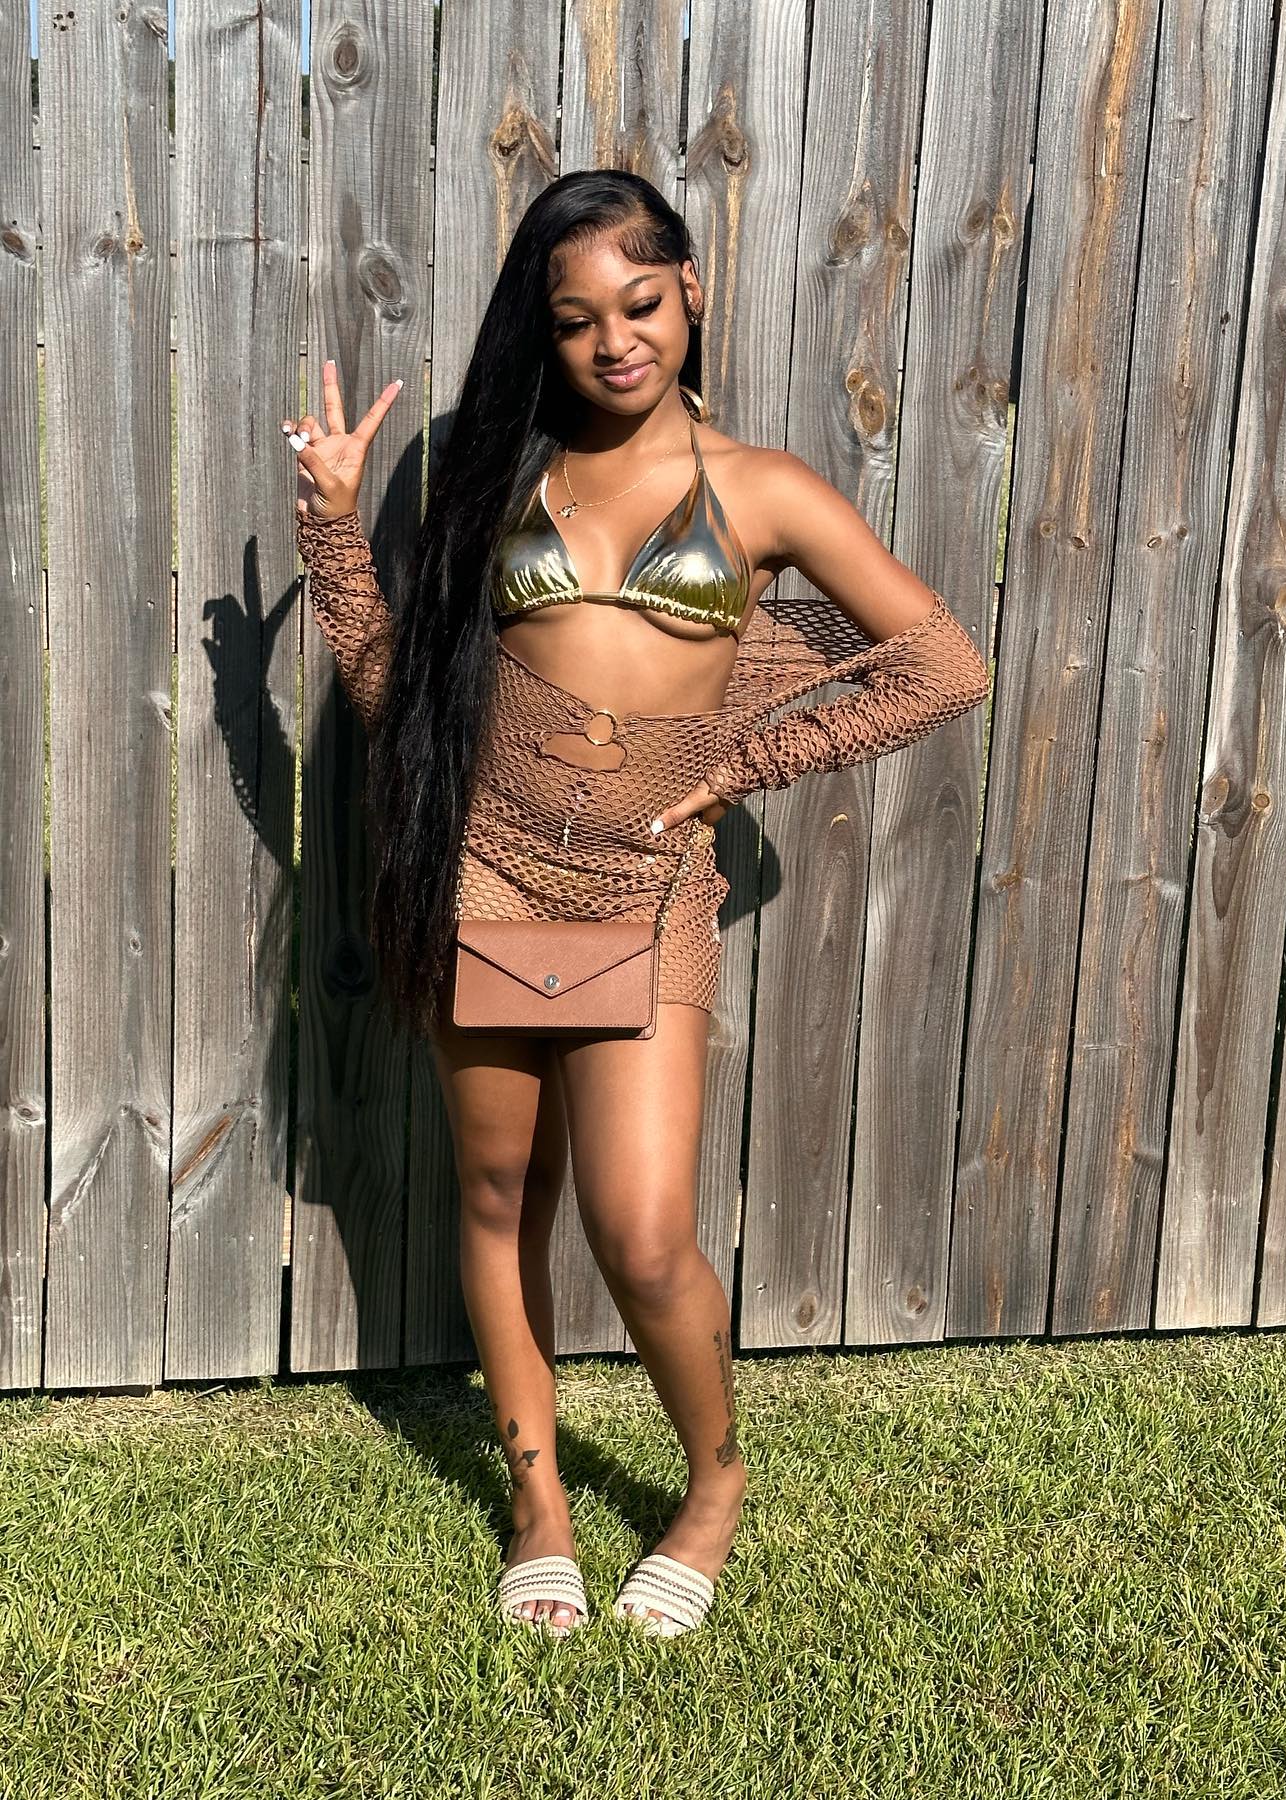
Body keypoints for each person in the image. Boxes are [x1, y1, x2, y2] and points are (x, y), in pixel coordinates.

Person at [282, 169, 988, 1640]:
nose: (616, 340)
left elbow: (942, 666)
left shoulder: (767, 490)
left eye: (643, 302)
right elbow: (403, 704)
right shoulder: (499, 479)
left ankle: (713, 1483)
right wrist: (339, 535)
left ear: (692, 292)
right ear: (543, 333)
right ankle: (538, 1504)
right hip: (486, 874)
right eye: (578, 318)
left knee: (645, 1232)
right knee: (497, 1197)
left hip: (647, 889)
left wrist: (741, 761)